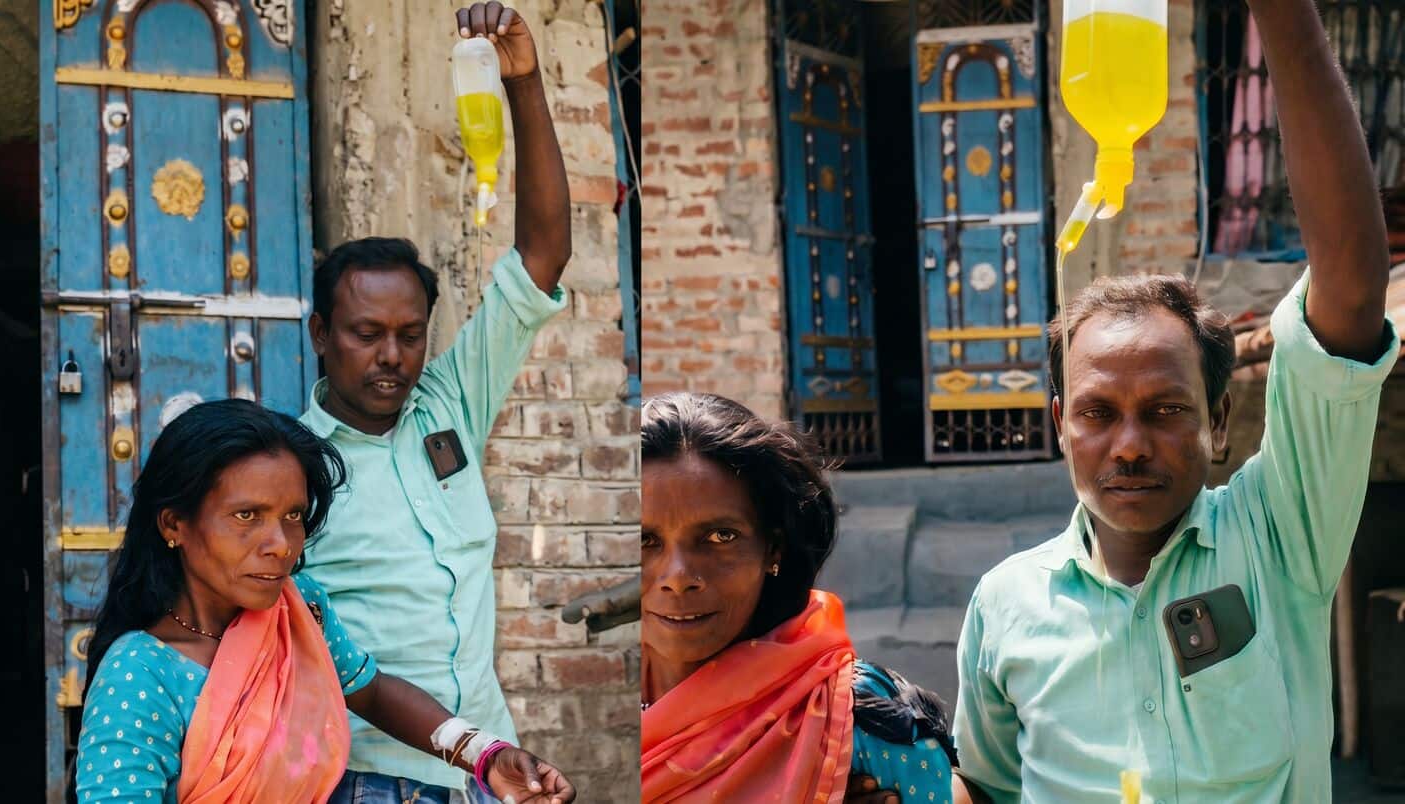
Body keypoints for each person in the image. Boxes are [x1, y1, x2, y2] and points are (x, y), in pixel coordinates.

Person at [947, 2, 1398, 801]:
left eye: (1165, 410)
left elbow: (1354, 293)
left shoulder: (1278, 539)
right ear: (1060, 426)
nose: (1128, 444)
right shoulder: (1005, 605)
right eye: (1096, 413)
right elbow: (985, 786)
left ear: (1219, 421)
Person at [298, 2, 572, 796]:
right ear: (321, 334)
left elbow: (543, 254)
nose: (392, 356)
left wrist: (522, 82)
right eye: (365, 333)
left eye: (410, 333)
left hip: (491, 767)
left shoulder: (450, 403)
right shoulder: (292, 465)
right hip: (370, 776)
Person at [75, 400, 575, 803]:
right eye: (247, 515)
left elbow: (372, 692)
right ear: (174, 525)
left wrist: (485, 755)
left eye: (292, 515)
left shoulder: (299, 608)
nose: (280, 544)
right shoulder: (140, 673)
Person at [640, 392, 956, 803]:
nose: (678, 577)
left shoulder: (857, 719)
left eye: (721, 536)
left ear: (772, 549)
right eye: (643, 540)